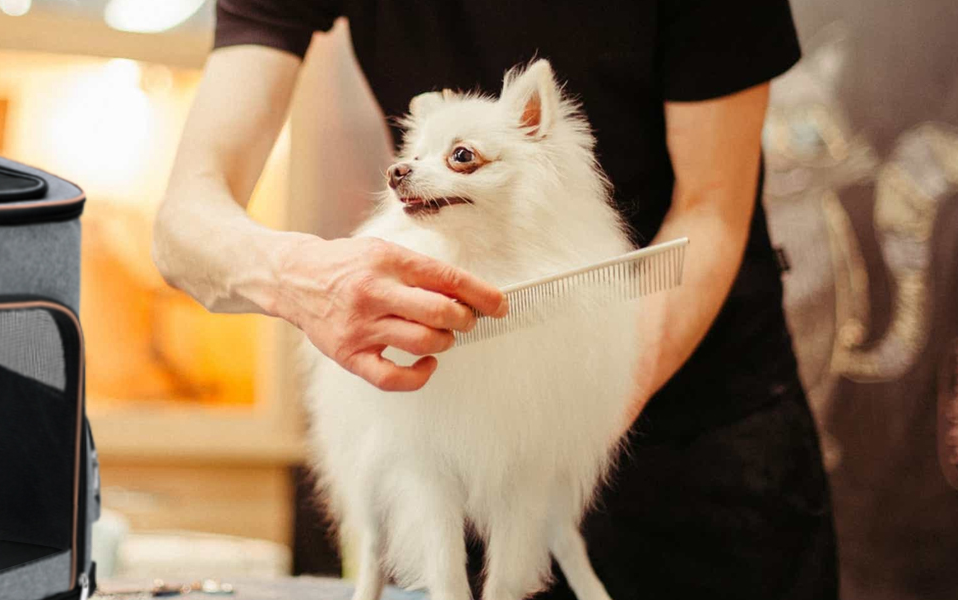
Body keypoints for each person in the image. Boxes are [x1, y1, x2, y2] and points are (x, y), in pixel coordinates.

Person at [151, 1, 838, 598]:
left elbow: (713, 210)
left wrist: (578, 405)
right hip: (459, 401)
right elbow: (185, 222)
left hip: (700, 418)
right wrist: (300, 274)